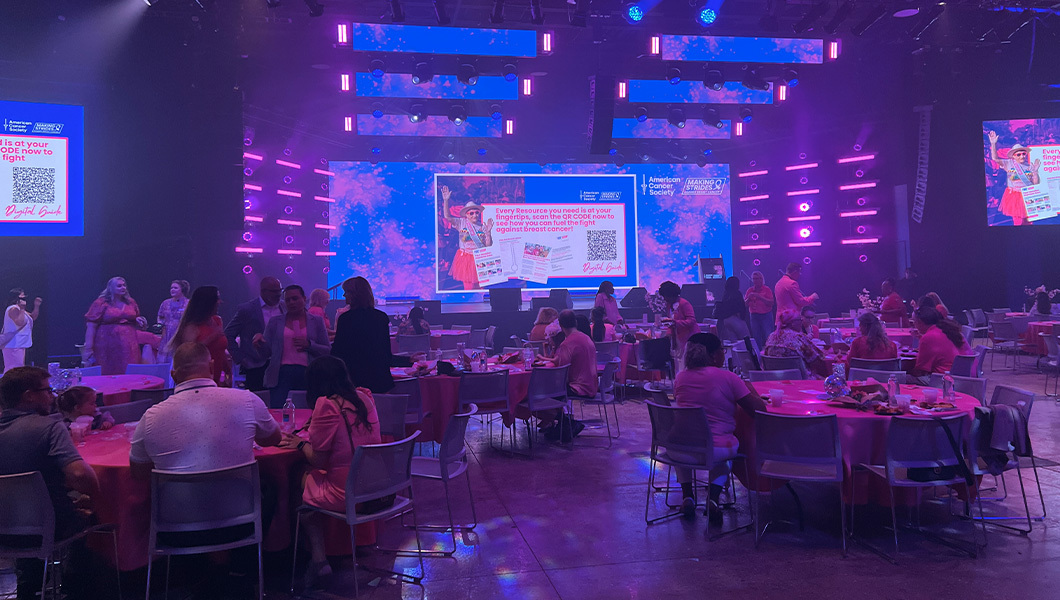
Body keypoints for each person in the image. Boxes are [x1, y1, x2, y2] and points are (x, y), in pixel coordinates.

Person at [280, 356, 381, 587]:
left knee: (297, 474)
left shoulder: (327, 405)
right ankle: (326, 553)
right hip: (377, 487)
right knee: (309, 478)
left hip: (348, 492)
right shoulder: (364, 397)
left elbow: (317, 460)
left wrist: (299, 443)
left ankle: (315, 557)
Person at [0, 366, 100, 600]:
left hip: (4, 529)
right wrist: (95, 492)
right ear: (29, 396)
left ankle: (30, 588)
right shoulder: (49, 427)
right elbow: (79, 475)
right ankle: (77, 591)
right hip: (49, 527)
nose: (53, 396)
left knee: (29, 516)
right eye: (47, 390)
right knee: (92, 517)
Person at [130, 342, 281, 473]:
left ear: (173, 376)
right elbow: (273, 439)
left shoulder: (151, 417)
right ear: (211, 366)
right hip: (239, 504)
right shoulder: (248, 400)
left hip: (177, 506)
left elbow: (139, 472)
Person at [673, 334, 766, 520]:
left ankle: (687, 497)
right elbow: (758, 411)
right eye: (722, 351)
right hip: (715, 450)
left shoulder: (680, 378)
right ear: (715, 355)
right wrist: (750, 390)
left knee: (687, 439)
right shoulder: (728, 378)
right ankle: (713, 498)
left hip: (679, 450)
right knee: (728, 446)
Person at [255, 285, 331, 408]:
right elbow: (266, 354)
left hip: (309, 372)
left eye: (295, 299)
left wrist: (309, 345)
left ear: (304, 299)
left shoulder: (316, 321)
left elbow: (327, 350)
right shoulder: (275, 321)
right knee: (279, 411)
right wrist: (259, 344)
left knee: (309, 410)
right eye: (288, 300)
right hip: (281, 373)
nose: (291, 302)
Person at [331, 277, 410, 394]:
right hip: (378, 381)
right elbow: (385, 355)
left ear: (354, 295)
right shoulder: (381, 317)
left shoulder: (345, 319)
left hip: (353, 381)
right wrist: (408, 360)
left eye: (346, 292)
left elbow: (338, 353)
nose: (343, 295)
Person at [224, 277, 284, 391]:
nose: (278, 294)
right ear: (263, 291)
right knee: (258, 402)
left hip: (281, 364)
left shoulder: (284, 307)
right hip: (256, 365)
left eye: (280, 290)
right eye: (274, 291)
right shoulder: (248, 309)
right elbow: (228, 334)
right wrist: (241, 358)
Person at [84, 277, 147, 375]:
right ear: (111, 288)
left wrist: (138, 320)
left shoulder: (130, 302)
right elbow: (91, 326)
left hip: (129, 344)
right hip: (106, 344)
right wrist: (88, 348)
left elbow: (136, 319)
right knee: (108, 369)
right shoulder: (101, 303)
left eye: (124, 285)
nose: (123, 288)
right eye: (119, 286)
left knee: (129, 368)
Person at [170, 286, 231, 386]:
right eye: (217, 299)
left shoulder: (217, 321)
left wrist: (227, 370)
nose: (220, 302)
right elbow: (187, 355)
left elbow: (220, 350)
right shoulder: (192, 327)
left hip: (216, 377)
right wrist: (211, 337)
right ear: (208, 302)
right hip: (197, 380)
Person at [440, 185, 494, 290]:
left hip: (480, 259)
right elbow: (447, 216)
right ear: (467, 214)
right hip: (466, 260)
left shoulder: (482, 226)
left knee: (481, 288)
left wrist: (488, 232)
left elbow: (488, 245)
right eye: (471, 213)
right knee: (468, 288)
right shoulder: (461, 223)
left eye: (476, 212)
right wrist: (446, 201)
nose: (474, 215)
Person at [988, 130, 1041, 226]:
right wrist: (993, 144)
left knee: (1029, 222)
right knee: (1018, 222)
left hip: (1027, 196)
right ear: (1013, 156)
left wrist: (1035, 172)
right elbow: (995, 158)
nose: (1022, 156)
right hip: (1014, 197)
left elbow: (1035, 184)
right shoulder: (1008, 164)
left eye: (1023, 153)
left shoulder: (1030, 165)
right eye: (1018, 154)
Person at [764, 310, 831, 378]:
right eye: (800, 320)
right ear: (792, 323)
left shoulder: (771, 336)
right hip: (801, 380)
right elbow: (816, 361)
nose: (801, 322)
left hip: (775, 379)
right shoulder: (798, 337)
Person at [910, 306, 971, 377]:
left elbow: (921, 370)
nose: (914, 325)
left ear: (920, 322)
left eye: (914, 322)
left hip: (942, 378)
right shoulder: (946, 329)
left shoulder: (928, 337)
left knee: (902, 378)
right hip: (962, 374)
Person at [550, 309, 598, 399]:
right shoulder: (586, 338)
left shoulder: (567, 343)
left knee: (543, 388)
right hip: (592, 387)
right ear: (575, 322)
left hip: (579, 388)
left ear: (560, 325)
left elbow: (562, 372)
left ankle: (556, 413)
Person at [2, 288, 41, 373]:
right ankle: (9, 385)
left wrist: (36, 305)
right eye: (22, 298)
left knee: (18, 367)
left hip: (19, 344)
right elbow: (20, 322)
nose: (24, 300)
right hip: (13, 344)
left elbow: (32, 317)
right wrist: (22, 309)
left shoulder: (18, 309)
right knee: (13, 369)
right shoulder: (13, 309)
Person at [658, 281, 700, 357]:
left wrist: (675, 323)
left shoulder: (684, 303)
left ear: (671, 294)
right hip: (678, 338)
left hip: (690, 339)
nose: (664, 298)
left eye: (666, 296)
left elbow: (692, 321)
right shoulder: (669, 305)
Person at [156, 280, 190, 363]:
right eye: (171, 288)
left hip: (180, 333)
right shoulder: (165, 303)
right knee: (164, 358)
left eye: (175, 288)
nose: (172, 290)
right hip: (167, 333)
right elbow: (160, 316)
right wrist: (160, 325)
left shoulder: (188, 303)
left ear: (182, 289)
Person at [713, 276, 749, 342]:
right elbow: (741, 307)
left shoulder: (725, 293)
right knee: (745, 340)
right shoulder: (737, 293)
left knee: (733, 342)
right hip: (735, 318)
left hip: (726, 320)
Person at [743, 271, 774, 348]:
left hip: (766, 315)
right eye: (754, 279)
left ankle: (770, 352)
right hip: (754, 315)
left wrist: (760, 297)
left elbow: (771, 302)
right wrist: (748, 299)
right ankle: (758, 354)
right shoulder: (750, 290)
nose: (755, 281)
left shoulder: (767, 290)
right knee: (756, 336)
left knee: (768, 334)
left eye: (757, 279)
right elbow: (744, 304)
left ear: (761, 279)